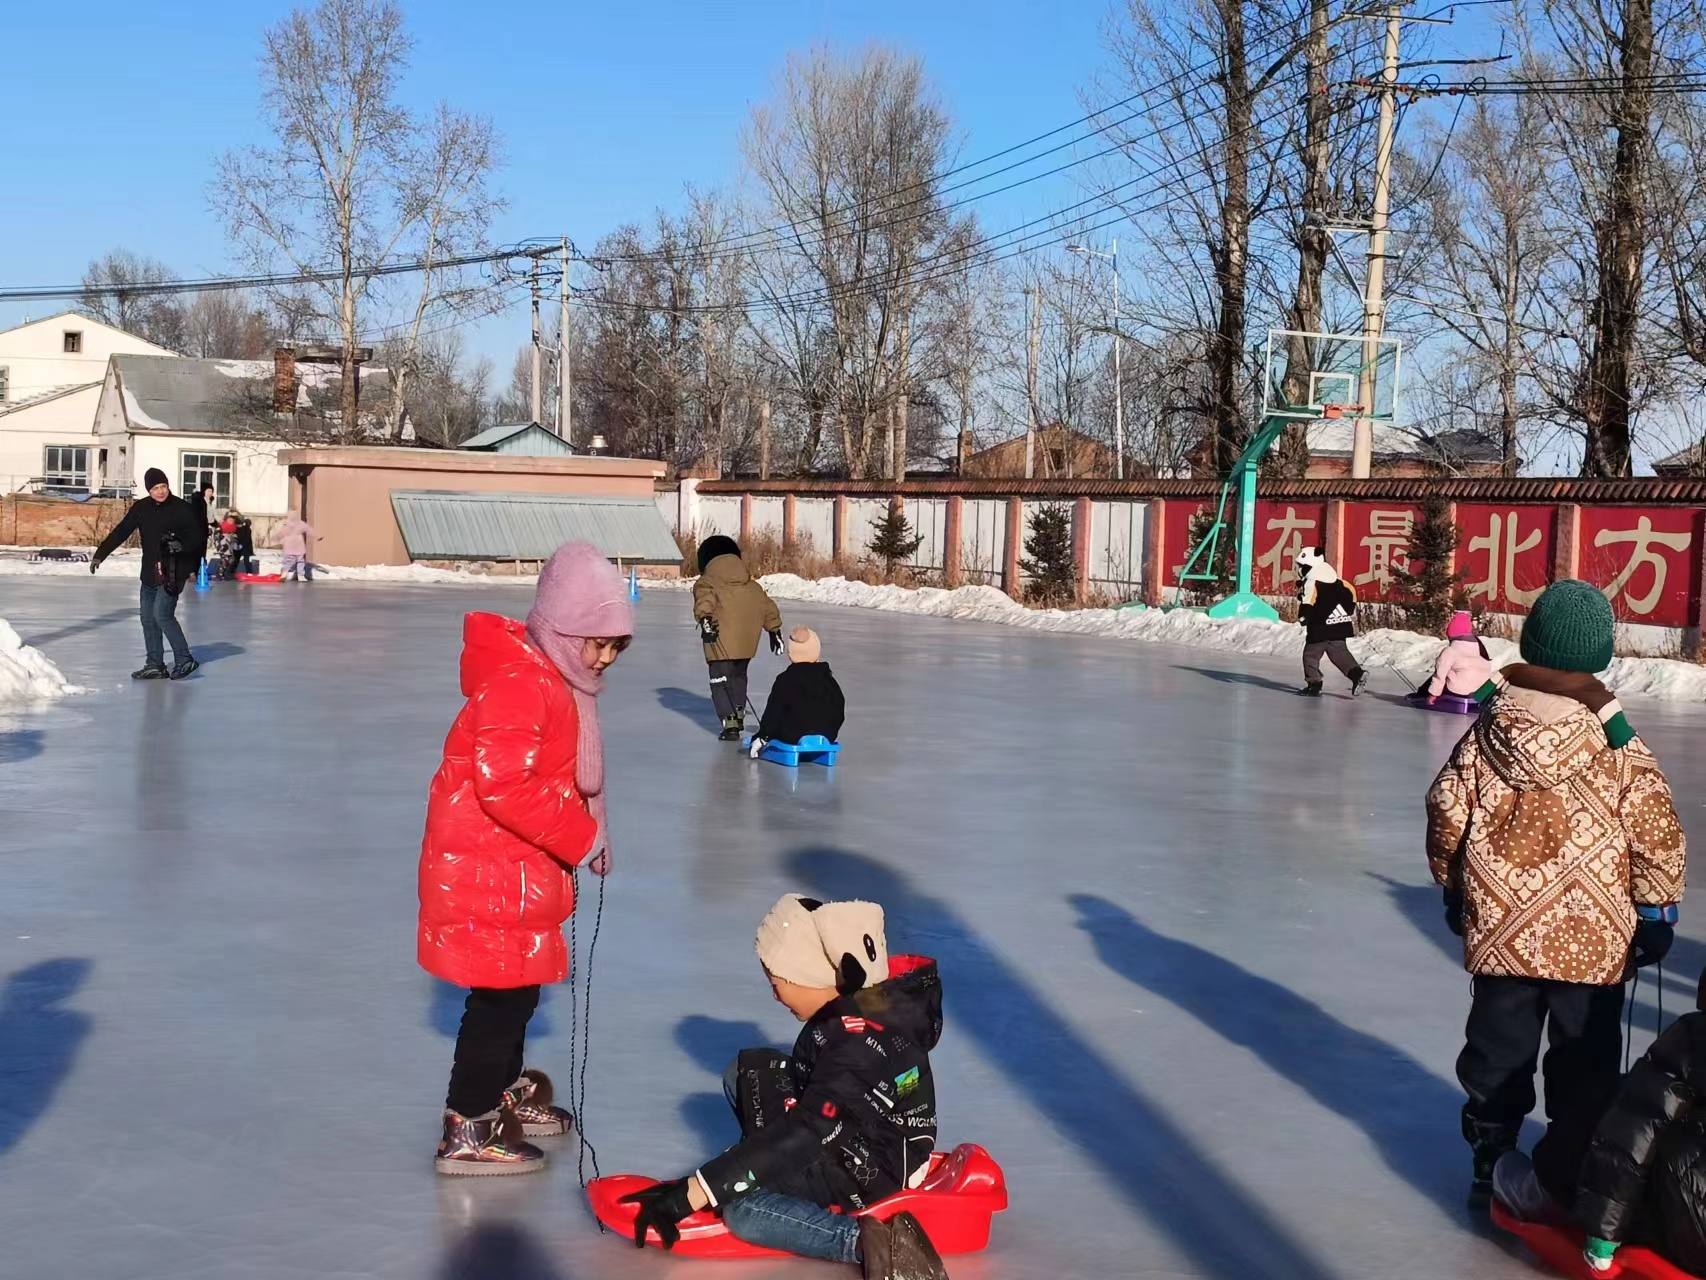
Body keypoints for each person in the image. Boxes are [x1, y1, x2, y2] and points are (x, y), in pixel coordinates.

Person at [1427, 579, 1687, 1210]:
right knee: (1585, 1057)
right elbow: (1654, 828)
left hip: (1504, 932)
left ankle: (1491, 1150)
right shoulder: (1620, 745)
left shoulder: (1486, 732)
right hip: (1593, 941)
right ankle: (1574, 1162)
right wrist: (1656, 909)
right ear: (1599, 655)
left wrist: (1454, 885)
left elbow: (1446, 808)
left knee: (1498, 1049)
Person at [417, 540, 632, 1175]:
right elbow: (504, 784)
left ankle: (502, 1089)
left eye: (616, 646)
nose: (605, 658)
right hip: (488, 870)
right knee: (498, 1001)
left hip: (514, 868)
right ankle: (469, 1122)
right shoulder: (523, 685)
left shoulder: (554, 681)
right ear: (563, 631)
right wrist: (579, 836)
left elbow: (558, 778)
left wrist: (586, 830)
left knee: (518, 989)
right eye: (597, 643)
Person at [619, 894, 949, 1280]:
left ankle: (869, 1243)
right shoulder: (851, 1008)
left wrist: (700, 1190)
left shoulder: (859, 1044)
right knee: (746, 1072)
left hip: (877, 1164)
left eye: (777, 982)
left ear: (810, 975)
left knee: (742, 1209)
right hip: (854, 1127)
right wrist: (731, 1172)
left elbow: (812, 1129)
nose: (775, 995)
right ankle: (761, 1165)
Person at [1574, 966, 1706, 1273]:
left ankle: (1551, 1186)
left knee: (1634, 1106)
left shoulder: (1696, 1035)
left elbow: (1635, 1124)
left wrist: (1603, 1229)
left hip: (1697, 1235)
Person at [91, 467, 203, 680]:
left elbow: (197, 536)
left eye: (163, 486)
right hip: (150, 572)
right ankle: (155, 664)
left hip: (174, 571)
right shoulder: (141, 508)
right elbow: (122, 530)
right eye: (155, 488)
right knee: (147, 618)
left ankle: (185, 659)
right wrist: (101, 554)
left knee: (162, 614)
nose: (161, 491)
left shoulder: (181, 508)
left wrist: (182, 545)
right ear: (149, 490)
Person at [693, 535, 783, 740]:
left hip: (719, 641)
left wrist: (705, 620)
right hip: (746, 644)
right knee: (738, 677)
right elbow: (767, 606)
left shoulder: (707, 582)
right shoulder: (752, 586)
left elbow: (705, 601)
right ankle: (739, 713)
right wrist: (774, 630)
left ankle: (730, 723)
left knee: (720, 680)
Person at [749, 626, 846, 759]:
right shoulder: (829, 680)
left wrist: (763, 737)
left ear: (791, 654)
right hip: (826, 734)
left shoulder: (785, 680)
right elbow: (839, 708)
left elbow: (773, 714)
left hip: (791, 735)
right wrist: (830, 728)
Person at [1294, 545, 1365, 697]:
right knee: (1339, 653)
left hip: (1320, 627)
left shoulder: (1312, 582)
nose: (1299, 570)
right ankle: (1357, 674)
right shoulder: (1340, 582)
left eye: (1301, 566)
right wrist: (1346, 613)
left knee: (1310, 655)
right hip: (1339, 624)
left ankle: (1314, 684)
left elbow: (1308, 601)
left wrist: (1304, 617)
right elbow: (1351, 595)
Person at [272, 510, 320, 582]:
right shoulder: (300, 524)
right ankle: (301, 575)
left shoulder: (286, 524)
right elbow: (309, 529)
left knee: (287, 561)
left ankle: (284, 574)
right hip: (298, 545)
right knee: (300, 561)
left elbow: (280, 533)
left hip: (289, 545)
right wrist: (317, 536)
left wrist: (274, 539)